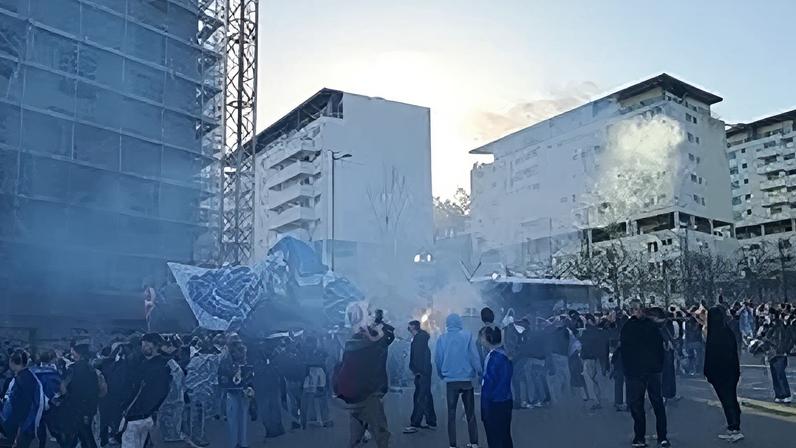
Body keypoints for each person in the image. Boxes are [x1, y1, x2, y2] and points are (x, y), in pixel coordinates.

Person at [333, 302, 390, 448]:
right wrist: (380, 326)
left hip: (352, 395)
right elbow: (385, 339)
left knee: (356, 435)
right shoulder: (370, 347)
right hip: (369, 394)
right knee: (381, 432)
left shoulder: (349, 345)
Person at [621, 301, 669, 448]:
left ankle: (640, 437)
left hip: (636, 373)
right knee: (657, 403)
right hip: (652, 370)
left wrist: (627, 370)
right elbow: (661, 348)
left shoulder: (628, 327)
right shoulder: (653, 326)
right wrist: (659, 366)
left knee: (638, 405)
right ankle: (662, 437)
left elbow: (625, 350)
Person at [435, 313, 481, 448]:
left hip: (451, 381)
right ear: (459, 323)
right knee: (470, 414)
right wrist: (479, 372)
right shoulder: (467, 336)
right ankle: (474, 443)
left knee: (451, 414)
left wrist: (440, 373)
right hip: (467, 380)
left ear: (447, 324)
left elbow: (438, 359)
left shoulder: (442, 339)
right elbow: (474, 356)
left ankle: (452, 445)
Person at [120, 333, 172, 448]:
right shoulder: (164, 364)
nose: (142, 348)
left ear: (152, 346)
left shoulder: (153, 367)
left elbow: (137, 389)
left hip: (137, 415)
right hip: (147, 416)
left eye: (144, 345)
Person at [704, 306, 744, 443]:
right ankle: (734, 426)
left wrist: (708, 371)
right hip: (730, 372)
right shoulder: (727, 332)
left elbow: (711, 356)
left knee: (727, 401)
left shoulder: (715, 334)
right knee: (730, 399)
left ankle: (734, 428)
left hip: (720, 373)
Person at [59, 341, 101, 448]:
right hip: (88, 407)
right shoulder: (91, 369)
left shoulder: (72, 369)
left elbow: (63, 386)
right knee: (85, 436)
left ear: (76, 353)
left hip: (74, 407)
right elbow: (95, 390)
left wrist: (65, 399)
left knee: (75, 437)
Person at [0, 349, 44, 448]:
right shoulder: (27, 375)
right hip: (22, 424)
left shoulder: (22, 380)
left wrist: (18, 433)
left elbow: (22, 408)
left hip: (21, 427)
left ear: (12, 362)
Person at [218, 334, 255, 448]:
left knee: (232, 418)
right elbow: (251, 370)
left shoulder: (225, 355)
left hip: (232, 389)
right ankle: (242, 443)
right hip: (243, 388)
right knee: (242, 417)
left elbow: (221, 373)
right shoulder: (246, 352)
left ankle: (234, 443)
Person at [481, 326, 513, 448]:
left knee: (494, 438)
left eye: (482, 336)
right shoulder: (504, 354)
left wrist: (484, 409)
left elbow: (488, 384)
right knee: (505, 436)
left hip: (494, 403)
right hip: (506, 400)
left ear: (488, 338)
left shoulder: (493, 358)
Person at [185, 337, 221, 447]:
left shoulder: (195, 359)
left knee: (196, 415)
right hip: (200, 392)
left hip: (198, 391)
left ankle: (195, 435)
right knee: (198, 415)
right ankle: (196, 437)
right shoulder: (208, 360)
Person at [404, 320, 436, 433]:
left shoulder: (418, 340)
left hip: (421, 372)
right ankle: (431, 421)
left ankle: (415, 423)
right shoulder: (422, 339)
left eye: (409, 329)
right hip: (425, 371)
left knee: (419, 397)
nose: (408, 331)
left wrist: (416, 370)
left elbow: (417, 357)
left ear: (414, 328)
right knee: (425, 395)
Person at [30, 350, 61, 448]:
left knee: (40, 426)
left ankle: (41, 445)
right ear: (51, 360)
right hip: (51, 404)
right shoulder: (53, 373)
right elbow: (58, 389)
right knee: (54, 428)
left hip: (37, 403)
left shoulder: (32, 371)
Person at [762, 310, 793, 403]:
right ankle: (779, 394)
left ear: (772, 315)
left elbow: (778, 341)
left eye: (768, 314)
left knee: (780, 375)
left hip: (778, 354)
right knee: (775, 375)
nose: (766, 316)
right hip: (772, 354)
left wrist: (767, 339)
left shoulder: (778, 327)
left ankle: (786, 394)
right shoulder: (770, 326)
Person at [158, 338, 186, 442]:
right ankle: (170, 435)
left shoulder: (173, 363)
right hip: (170, 398)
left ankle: (174, 434)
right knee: (169, 415)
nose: (180, 351)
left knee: (174, 415)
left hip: (176, 397)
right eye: (178, 349)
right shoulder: (167, 364)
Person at [580, 315, 609, 410]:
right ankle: (598, 400)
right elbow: (605, 348)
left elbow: (584, 346)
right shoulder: (601, 333)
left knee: (590, 381)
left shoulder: (586, 333)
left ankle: (595, 401)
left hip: (589, 359)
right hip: (599, 359)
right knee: (596, 380)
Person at [503, 318, 531, 409]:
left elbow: (513, 345)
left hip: (519, 357)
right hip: (519, 357)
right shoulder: (520, 331)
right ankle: (521, 400)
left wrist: (512, 357)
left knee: (516, 378)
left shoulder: (512, 330)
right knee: (519, 379)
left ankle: (519, 400)